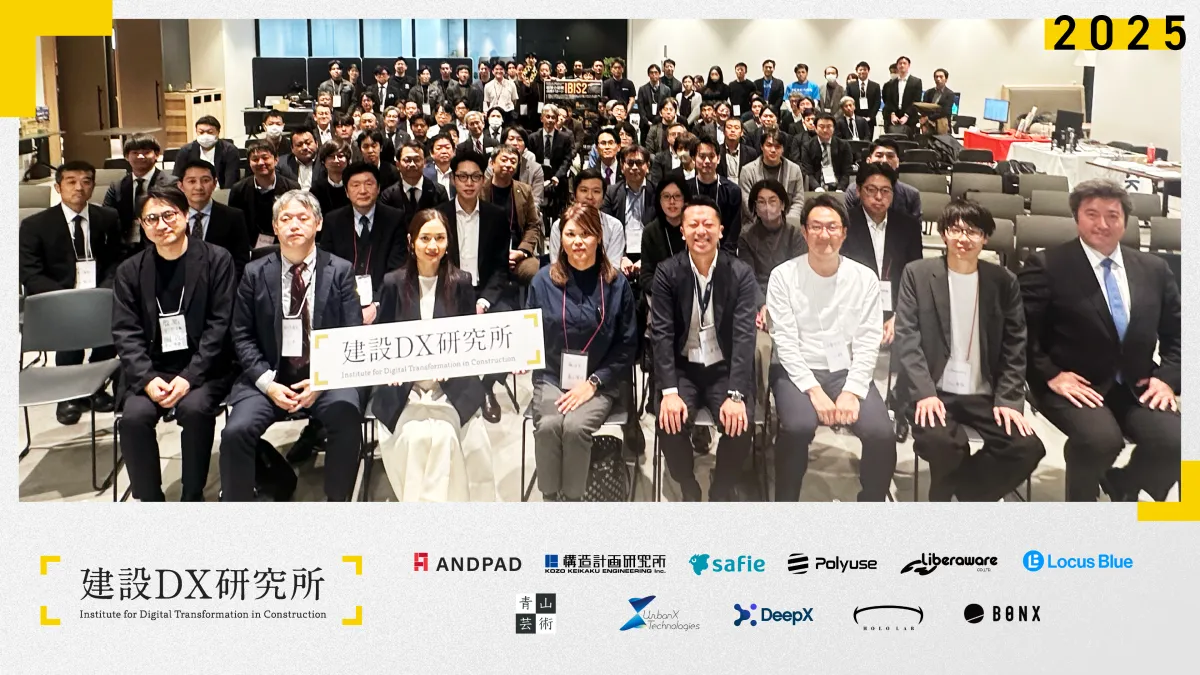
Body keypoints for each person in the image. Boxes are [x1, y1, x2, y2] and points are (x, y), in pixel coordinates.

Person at [1020, 179, 1181, 502]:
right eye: (1092, 214)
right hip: (1072, 383)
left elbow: (1178, 333)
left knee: (1179, 442)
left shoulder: (1154, 269)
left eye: (1112, 215)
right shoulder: (1047, 265)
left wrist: (1166, 379)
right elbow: (1022, 332)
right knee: (1099, 441)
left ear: (1126, 221)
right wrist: (1051, 374)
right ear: (1077, 218)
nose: (1102, 224)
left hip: (1136, 382)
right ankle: (1082, 512)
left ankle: (1124, 482)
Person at [894, 199, 1045, 501]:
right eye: (955, 230)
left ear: (985, 237)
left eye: (973, 231)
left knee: (1026, 448)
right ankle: (948, 504)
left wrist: (1008, 399)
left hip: (983, 393)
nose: (963, 238)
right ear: (943, 234)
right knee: (946, 446)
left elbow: (1015, 344)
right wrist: (925, 392)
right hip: (934, 391)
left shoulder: (1003, 281)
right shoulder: (917, 274)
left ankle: (966, 495)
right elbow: (907, 337)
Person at [221, 190, 364, 501]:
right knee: (235, 431)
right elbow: (241, 335)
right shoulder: (255, 273)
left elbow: (351, 334)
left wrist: (321, 381)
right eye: (285, 219)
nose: (294, 225)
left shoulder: (340, 270)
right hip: (270, 377)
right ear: (275, 227)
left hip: (323, 377)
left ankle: (338, 502)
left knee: (347, 417)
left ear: (318, 224)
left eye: (303, 218)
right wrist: (269, 384)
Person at [111, 184, 237, 502]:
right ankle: (149, 498)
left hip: (204, 367)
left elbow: (220, 326)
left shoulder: (216, 259)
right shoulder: (130, 271)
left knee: (195, 410)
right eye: (152, 218)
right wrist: (147, 378)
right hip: (152, 368)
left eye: (169, 215)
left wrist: (189, 376)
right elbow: (125, 332)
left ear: (185, 215)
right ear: (141, 224)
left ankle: (192, 493)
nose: (162, 225)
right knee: (134, 418)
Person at [767, 194, 895, 501]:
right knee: (797, 427)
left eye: (832, 227)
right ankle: (785, 502)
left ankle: (871, 502)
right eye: (816, 227)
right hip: (795, 370)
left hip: (845, 370)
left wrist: (851, 390)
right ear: (804, 231)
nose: (824, 235)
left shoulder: (864, 278)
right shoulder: (783, 276)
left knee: (881, 433)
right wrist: (814, 391)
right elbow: (784, 342)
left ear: (844, 232)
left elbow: (867, 340)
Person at [371, 209, 495, 501]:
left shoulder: (461, 282)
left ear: (448, 242)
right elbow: (381, 338)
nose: (432, 245)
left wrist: (453, 365)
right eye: (425, 238)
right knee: (415, 438)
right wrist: (392, 369)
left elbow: (467, 340)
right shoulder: (392, 283)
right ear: (411, 241)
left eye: (439, 238)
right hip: (405, 388)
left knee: (444, 437)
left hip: (449, 386)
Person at [651, 196, 758, 501]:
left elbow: (744, 336)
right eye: (693, 224)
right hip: (683, 367)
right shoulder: (667, 272)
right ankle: (687, 483)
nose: (701, 231)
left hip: (723, 368)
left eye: (708, 224)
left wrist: (736, 394)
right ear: (682, 230)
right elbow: (662, 333)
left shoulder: (740, 273)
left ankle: (722, 486)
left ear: (721, 230)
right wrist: (669, 392)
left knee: (740, 423)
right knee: (669, 423)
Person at [527, 203, 637, 501]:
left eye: (586, 234)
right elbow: (528, 333)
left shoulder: (616, 284)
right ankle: (551, 497)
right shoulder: (542, 281)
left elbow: (627, 344)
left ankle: (573, 501)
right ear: (560, 238)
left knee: (575, 428)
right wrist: (520, 356)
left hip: (599, 379)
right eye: (570, 234)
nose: (578, 241)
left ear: (599, 238)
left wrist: (594, 383)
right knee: (549, 425)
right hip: (552, 376)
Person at [19, 160, 122, 424]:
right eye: (71, 182)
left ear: (93, 186)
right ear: (58, 187)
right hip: (58, 298)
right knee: (69, 330)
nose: (79, 187)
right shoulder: (35, 225)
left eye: (86, 182)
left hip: (99, 294)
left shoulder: (107, 218)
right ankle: (69, 396)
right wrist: (69, 299)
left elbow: (116, 260)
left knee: (115, 329)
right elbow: (30, 273)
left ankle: (95, 387)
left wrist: (103, 291)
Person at [436, 149, 511, 422]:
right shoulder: (439, 215)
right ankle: (458, 386)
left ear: (483, 180)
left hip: (484, 291)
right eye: (463, 177)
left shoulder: (496, 216)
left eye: (475, 177)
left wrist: (484, 301)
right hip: (449, 290)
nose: (469, 183)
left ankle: (486, 386)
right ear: (453, 179)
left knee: (506, 326)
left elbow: (501, 268)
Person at [317, 160, 407, 330]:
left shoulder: (394, 219)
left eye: (369, 184)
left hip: (384, 303)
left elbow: (397, 267)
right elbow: (327, 266)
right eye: (355, 185)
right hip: (342, 302)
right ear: (346, 191)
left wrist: (377, 303)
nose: (363, 190)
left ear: (378, 188)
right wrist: (347, 302)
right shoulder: (333, 220)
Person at [103, 134, 178, 253]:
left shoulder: (171, 183)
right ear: (126, 156)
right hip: (123, 249)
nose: (140, 156)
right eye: (135, 153)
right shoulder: (117, 186)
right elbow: (106, 216)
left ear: (157, 155)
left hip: (159, 245)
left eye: (146, 152)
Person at [177, 159, 250, 278]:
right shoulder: (172, 217)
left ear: (215, 183)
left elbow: (240, 262)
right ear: (181, 186)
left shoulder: (234, 217)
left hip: (222, 283)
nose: (199, 187)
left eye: (205, 180)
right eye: (192, 181)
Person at [481, 145, 542, 285]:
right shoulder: (480, 191)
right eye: (504, 160)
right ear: (492, 163)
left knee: (536, 272)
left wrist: (521, 251)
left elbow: (533, 225)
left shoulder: (525, 190)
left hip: (517, 252)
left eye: (513, 161)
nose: (509, 164)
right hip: (486, 254)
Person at [228, 139, 302, 249]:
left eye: (265, 158)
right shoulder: (238, 190)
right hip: (249, 247)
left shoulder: (292, 188)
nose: (261, 163)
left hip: (285, 245)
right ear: (249, 163)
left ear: (276, 160)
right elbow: (235, 225)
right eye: (255, 159)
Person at [548, 168, 626, 268]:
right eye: (584, 190)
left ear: (603, 197)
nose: (590, 196)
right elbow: (556, 265)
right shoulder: (559, 226)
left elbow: (613, 267)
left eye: (596, 191)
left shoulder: (614, 226)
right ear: (574, 195)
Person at [601, 145, 655, 273]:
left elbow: (660, 231)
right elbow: (606, 228)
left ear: (647, 166)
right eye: (630, 163)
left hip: (649, 254)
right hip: (619, 253)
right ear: (622, 166)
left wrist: (646, 258)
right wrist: (622, 256)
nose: (634, 167)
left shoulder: (657, 193)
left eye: (639, 163)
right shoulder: (611, 193)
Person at [737, 130, 805, 228]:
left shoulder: (794, 170)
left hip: (787, 224)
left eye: (777, 147)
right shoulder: (747, 171)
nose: (773, 150)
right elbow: (748, 205)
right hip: (756, 225)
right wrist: (767, 222)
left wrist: (786, 223)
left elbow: (798, 201)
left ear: (783, 149)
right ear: (761, 147)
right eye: (769, 145)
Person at [844, 139, 922, 223]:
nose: (884, 160)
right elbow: (848, 226)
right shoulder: (853, 191)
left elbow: (915, 229)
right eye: (879, 155)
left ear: (898, 162)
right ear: (868, 160)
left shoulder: (911, 195)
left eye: (890, 156)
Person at [687, 136, 743, 245]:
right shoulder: (685, 189)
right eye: (702, 156)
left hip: (723, 249)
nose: (707, 161)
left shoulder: (732, 191)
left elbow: (733, 232)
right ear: (693, 159)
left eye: (711, 156)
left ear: (718, 158)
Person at [380, 140, 451, 218]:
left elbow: (444, 220)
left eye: (417, 160)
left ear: (424, 163)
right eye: (407, 160)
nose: (412, 164)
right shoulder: (388, 195)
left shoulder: (439, 192)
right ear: (397, 165)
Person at [530, 104, 574, 219]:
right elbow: (530, 160)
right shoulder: (533, 138)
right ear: (542, 118)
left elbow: (567, 160)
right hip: (538, 178)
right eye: (547, 117)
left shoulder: (565, 138)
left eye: (553, 117)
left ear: (556, 119)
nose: (550, 120)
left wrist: (557, 176)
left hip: (558, 178)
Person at [172, 115, 239, 188]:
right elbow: (176, 178)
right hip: (193, 192)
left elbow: (231, 180)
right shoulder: (186, 151)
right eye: (201, 132)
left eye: (210, 132)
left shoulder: (229, 151)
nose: (205, 136)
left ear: (218, 132)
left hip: (221, 192)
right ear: (196, 132)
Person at [800, 113, 854, 191]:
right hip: (816, 188)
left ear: (834, 128)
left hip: (838, 187)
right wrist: (816, 187)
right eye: (821, 127)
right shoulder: (807, 147)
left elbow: (846, 171)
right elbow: (808, 172)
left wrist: (840, 188)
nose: (825, 130)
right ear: (815, 128)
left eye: (829, 126)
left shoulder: (844, 145)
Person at [497, 126, 545, 208]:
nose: (515, 143)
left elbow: (536, 201)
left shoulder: (535, 169)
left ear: (525, 145)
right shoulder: (494, 166)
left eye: (519, 140)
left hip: (526, 212)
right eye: (511, 139)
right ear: (503, 143)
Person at [309, 140, 352, 219]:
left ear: (348, 160)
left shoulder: (355, 186)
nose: (336, 160)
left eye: (340, 156)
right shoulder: (317, 189)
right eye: (331, 157)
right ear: (323, 161)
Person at [882, 56, 923, 132]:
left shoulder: (916, 82)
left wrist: (906, 116)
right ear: (897, 66)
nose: (902, 65)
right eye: (900, 63)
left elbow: (916, 101)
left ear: (908, 65)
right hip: (894, 118)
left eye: (904, 63)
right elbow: (888, 101)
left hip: (909, 117)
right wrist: (893, 114)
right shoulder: (891, 83)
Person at [637, 63, 673, 141]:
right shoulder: (642, 89)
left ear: (659, 74)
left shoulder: (666, 89)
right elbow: (641, 108)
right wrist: (647, 122)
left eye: (656, 72)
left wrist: (662, 120)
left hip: (661, 123)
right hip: (646, 124)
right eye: (651, 73)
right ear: (648, 75)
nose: (654, 75)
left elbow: (668, 106)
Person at [717, 117, 759, 184]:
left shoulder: (751, 153)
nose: (733, 130)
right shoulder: (717, 151)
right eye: (729, 127)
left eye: (736, 128)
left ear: (742, 132)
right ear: (724, 131)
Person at [847, 61, 883, 137]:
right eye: (860, 70)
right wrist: (853, 116)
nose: (862, 71)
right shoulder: (851, 86)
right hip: (854, 118)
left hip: (870, 119)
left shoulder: (875, 86)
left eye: (865, 69)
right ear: (857, 71)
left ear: (868, 71)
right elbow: (848, 101)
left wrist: (870, 117)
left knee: (868, 140)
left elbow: (877, 102)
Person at [424, 133, 457, 198]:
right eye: (439, 148)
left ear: (454, 151)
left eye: (447, 147)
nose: (444, 151)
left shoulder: (460, 172)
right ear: (431, 153)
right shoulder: (424, 174)